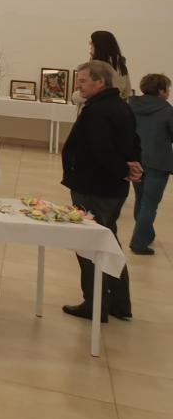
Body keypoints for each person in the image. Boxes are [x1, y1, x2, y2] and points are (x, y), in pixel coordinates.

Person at [61, 60, 142, 321]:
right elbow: (134, 141)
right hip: (112, 187)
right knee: (109, 242)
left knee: (89, 245)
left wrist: (122, 169)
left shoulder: (97, 110)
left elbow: (101, 149)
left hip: (94, 187)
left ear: (100, 82)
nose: (79, 85)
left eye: (83, 81)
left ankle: (95, 304)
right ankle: (119, 302)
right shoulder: (121, 105)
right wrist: (131, 166)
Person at [129, 73, 173, 254]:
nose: (169, 92)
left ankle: (147, 233)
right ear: (161, 91)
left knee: (141, 199)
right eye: (168, 89)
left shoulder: (131, 105)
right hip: (158, 162)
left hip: (135, 159)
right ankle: (139, 243)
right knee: (150, 203)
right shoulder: (167, 110)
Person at [73, 30, 132, 105]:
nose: (90, 49)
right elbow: (126, 92)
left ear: (99, 47)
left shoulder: (98, 68)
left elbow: (93, 94)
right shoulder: (121, 66)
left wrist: (75, 96)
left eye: (91, 45)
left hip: (97, 108)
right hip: (115, 107)